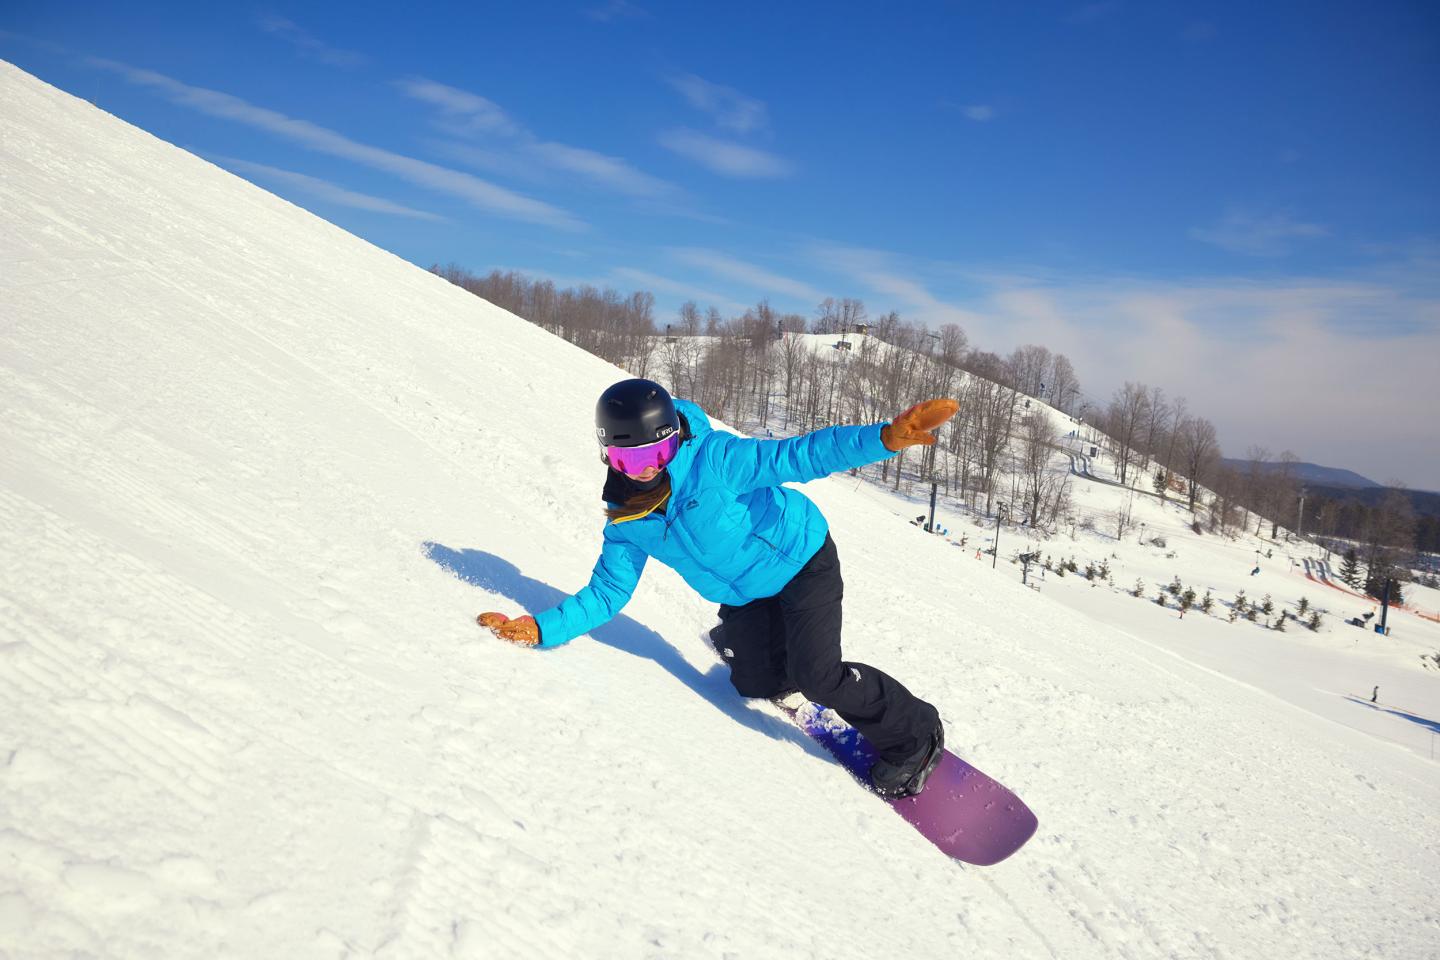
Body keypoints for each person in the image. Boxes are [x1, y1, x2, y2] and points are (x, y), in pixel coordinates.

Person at [477, 378, 958, 798]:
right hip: (746, 595)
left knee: (818, 676)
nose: (645, 469)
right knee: (756, 685)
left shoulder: (718, 462)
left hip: (799, 561)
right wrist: (542, 629)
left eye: (658, 454)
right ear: (608, 455)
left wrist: (885, 439)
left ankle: (917, 736)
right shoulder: (628, 518)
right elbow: (607, 591)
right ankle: (758, 645)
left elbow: (804, 453)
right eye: (630, 457)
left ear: (675, 440)